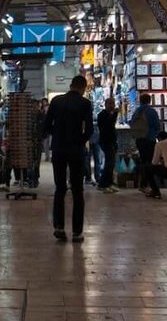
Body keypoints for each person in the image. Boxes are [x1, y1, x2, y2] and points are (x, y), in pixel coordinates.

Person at [44, 75, 93, 242]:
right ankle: (77, 232)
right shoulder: (85, 104)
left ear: (71, 85)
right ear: (83, 87)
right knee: (77, 190)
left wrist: (56, 136)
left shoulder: (56, 101)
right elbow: (89, 129)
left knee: (60, 189)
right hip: (76, 150)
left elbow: (46, 125)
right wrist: (80, 141)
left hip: (58, 149)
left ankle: (59, 227)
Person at [133, 92, 162, 198]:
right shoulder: (152, 112)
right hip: (150, 140)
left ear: (140, 101)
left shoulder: (137, 111)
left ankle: (143, 184)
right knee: (150, 163)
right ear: (149, 101)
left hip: (140, 140)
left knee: (144, 161)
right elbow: (157, 126)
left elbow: (132, 123)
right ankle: (152, 187)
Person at [96, 97, 119, 192]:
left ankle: (109, 183)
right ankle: (103, 184)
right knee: (108, 164)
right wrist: (114, 114)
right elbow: (107, 125)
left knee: (111, 164)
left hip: (111, 141)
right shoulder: (102, 115)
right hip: (106, 141)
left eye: (113, 103)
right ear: (105, 104)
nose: (112, 106)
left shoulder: (110, 114)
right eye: (110, 103)